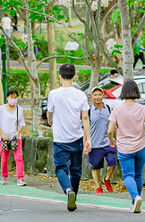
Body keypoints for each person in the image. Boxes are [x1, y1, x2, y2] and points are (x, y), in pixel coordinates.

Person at [47, 63, 92, 212]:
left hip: (60, 139)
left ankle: (68, 190)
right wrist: (88, 139)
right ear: (74, 76)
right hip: (77, 137)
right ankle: (74, 195)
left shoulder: (54, 94)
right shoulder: (80, 94)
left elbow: (49, 113)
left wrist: (50, 120)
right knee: (76, 170)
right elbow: (85, 117)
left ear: (59, 76)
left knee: (61, 168)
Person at [108, 80, 145, 213]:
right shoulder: (143, 109)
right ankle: (135, 203)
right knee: (138, 175)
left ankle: (135, 197)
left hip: (124, 148)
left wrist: (111, 140)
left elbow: (110, 130)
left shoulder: (117, 109)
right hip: (141, 146)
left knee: (128, 175)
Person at [0, 88, 27, 186]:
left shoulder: (19, 110)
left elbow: (21, 123)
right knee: (4, 159)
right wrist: (2, 134)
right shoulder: (1, 109)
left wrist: (18, 132)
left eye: (15, 97)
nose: (13, 99)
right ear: (7, 98)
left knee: (19, 158)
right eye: (11, 97)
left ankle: (20, 178)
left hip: (15, 138)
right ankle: (4, 176)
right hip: (3, 139)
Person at [88, 87, 116, 194]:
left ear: (103, 96)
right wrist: (86, 142)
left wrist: (116, 137)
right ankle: (98, 186)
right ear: (91, 97)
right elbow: (84, 127)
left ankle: (107, 179)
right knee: (95, 167)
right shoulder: (89, 111)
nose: (97, 97)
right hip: (94, 144)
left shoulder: (108, 109)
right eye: (95, 95)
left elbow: (114, 125)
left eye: (99, 94)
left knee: (112, 163)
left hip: (108, 142)